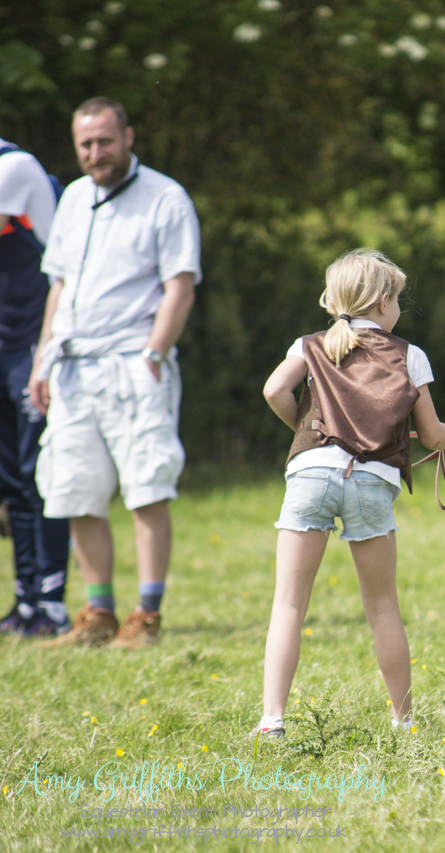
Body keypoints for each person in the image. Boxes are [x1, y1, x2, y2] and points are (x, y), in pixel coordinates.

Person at [253, 249, 445, 738]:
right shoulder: (408, 355)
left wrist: (310, 433)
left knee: (289, 603)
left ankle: (272, 722)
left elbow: (274, 391)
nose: (400, 307)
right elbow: (435, 437)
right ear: (382, 302)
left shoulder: (309, 344)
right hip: (372, 483)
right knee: (382, 606)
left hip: (310, 474)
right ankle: (403, 721)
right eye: (398, 297)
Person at [30, 97, 201, 648]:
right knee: (75, 488)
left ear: (129, 136)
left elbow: (181, 284)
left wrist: (155, 352)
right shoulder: (74, 199)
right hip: (74, 368)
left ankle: (146, 615)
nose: (96, 153)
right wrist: (43, 358)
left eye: (105, 141)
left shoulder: (166, 198)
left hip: (135, 365)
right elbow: (58, 286)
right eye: (86, 144)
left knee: (147, 486)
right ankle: (98, 615)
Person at [0, 138, 71, 636]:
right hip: (3, 345)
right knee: (10, 482)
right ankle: (25, 603)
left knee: (36, 476)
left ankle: (51, 602)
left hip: (30, 345)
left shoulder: (15, 166)